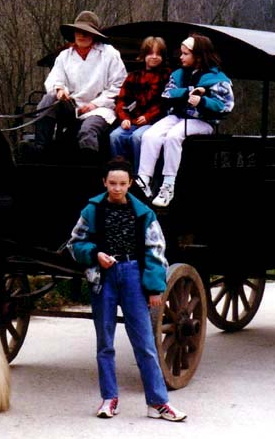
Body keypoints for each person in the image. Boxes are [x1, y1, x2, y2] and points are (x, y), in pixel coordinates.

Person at [67, 158, 187, 422]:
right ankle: (109, 399)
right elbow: (75, 243)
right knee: (105, 343)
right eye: (112, 183)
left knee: (145, 343)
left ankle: (158, 402)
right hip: (104, 277)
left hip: (133, 275)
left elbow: (156, 250)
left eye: (122, 183)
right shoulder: (92, 210)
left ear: (130, 183)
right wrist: (95, 254)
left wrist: (155, 287)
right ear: (104, 182)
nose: (117, 188)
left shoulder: (144, 213)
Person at [136, 33, 234, 207]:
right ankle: (144, 180)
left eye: (185, 54)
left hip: (203, 122)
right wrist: (189, 92)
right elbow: (168, 93)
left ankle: (168, 185)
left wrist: (203, 101)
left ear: (198, 55)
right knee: (150, 135)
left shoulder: (217, 78)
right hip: (179, 116)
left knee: (174, 136)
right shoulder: (179, 74)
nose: (181, 57)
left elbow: (225, 105)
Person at [32, 11, 127, 159]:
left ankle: (89, 166)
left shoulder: (109, 54)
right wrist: (59, 89)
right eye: (79, 31)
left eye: (86, 32)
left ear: (94, 34)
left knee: (87, 131)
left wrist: (94, 105)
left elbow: (118, 86)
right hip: (71, 106)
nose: (81, 36)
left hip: (100, 109)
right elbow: (54, 78)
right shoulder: (65, 56)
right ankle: (40, 150)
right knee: (47, 101)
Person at [109, 36, 171, 167]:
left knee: (138, 137)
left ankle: (141, 176)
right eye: (150, 53)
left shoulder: (167, 76)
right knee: (115, 136)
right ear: (143, 55)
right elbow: (121, 100)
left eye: (158, 54)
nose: (154, 57)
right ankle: (121, 172)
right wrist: (124, 118)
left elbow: (164, 103)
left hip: (155, 122)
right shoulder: (133, 76)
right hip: (132, 120)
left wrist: (148, 117)